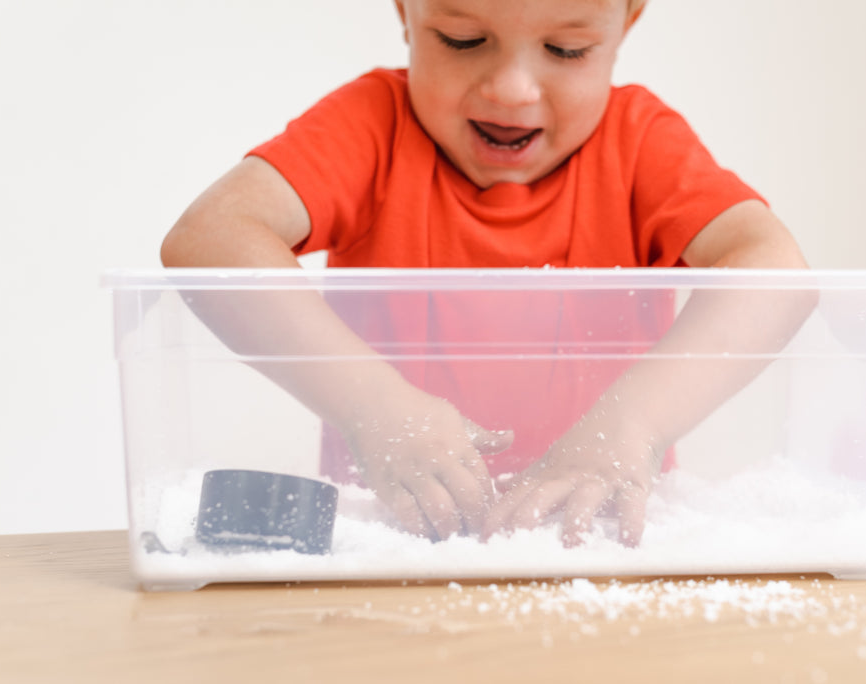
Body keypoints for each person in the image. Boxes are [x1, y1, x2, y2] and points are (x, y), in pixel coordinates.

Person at [160, 0, 811, 549]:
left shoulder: (640, 145)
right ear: (405, 11)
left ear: (627, 21)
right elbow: (208, 237)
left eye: (567, 49)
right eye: (463, 39)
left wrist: (632, 430)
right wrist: (374, 409)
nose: (512, 89)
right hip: (396, 543)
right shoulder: (374, 128)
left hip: (603, 540)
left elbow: (776, 269)